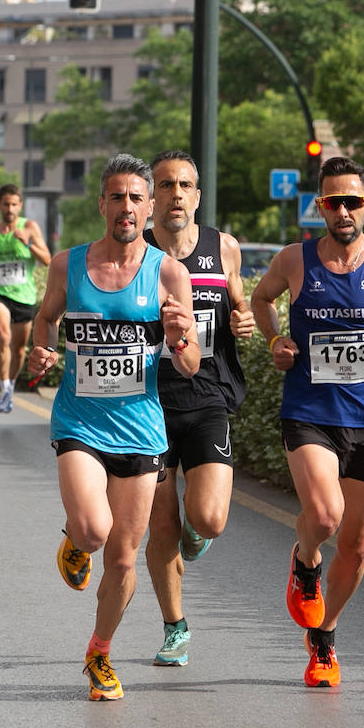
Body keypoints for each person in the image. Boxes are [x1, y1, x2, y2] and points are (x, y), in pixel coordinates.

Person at [250, 155, 364, 689]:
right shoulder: (294, 259)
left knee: (357, 544)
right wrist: (275, 340)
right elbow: (262, 301)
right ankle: (305, 561)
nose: (345, 210)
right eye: (335, 202)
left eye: (354, 201)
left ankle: (324, 637)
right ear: (320, 207)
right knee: (326, 517)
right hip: (309, 413)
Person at [28, 153, 200, 701]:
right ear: (101, 204)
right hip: (80, 422)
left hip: (142, 430)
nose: (125, 207)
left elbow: (191, 363)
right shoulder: (67, 265)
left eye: (135, 198)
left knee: (124, 558)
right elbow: (46, 321)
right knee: (95, 533)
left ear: (149, 208)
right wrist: (40, 352)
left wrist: (178, 338)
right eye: (116, 197)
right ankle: (75, 541)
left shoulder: (169, 272)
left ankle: (99, 652)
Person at [141, 150, 254, 666]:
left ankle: (196, 532)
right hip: (146, 403)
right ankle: (174, 626)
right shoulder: (134, 253)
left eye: (185, 185)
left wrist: (245, 321)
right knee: (158, 523)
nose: (176, 195)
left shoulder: (222, 248)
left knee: (209, 519)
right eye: (165, 185)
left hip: (207, 397)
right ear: (152, 197)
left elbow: (241, 303)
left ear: (198, 195)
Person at [0, 183, 51, 413]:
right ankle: (3, 383)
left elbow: (47, 259)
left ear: (20, 206)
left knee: (19, 349)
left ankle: (11, 385)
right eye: (6, 204)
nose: (9, 208)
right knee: (3, 334)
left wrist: (27, 243)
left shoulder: (29, 227)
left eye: (14, 204)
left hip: (24, 296)